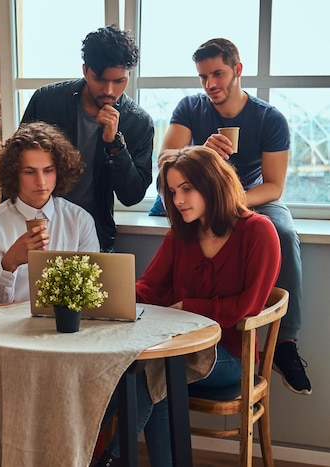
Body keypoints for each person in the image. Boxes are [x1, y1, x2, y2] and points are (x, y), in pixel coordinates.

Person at [96, 146, 282, 467]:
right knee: (156, 378)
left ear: (212, 183)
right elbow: (149, 287)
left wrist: (188, 306)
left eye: (187, 189)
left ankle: (107, 458)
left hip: (230, 354)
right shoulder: (181, 233)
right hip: (176, 350)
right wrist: (113, 299)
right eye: (172, 191)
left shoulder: (259, 231)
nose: (179, 200)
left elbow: (246, 307)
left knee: (151, 374)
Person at [155, 37, 311, 395]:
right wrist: (197, 151)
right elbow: (164, 162)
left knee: (283, 232)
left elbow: (273, 186)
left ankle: (286, 342)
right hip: (201, 193)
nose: (211, 84)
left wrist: (225, 200)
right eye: (203, 77)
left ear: (237, 71)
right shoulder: (190, 108)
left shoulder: (268, 118)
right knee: (181, 224)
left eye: (218, 74)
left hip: (250, 196)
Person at [21, 25, 154, 252]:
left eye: (119, 81)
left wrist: (115, 144)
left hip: (94, 237)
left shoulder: (138, 122)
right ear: (85, 70)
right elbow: (16, 164)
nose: (109, 90)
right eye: (100, 79)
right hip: (38, 231)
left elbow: (132, 196)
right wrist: (7, 226)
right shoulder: (47, 102)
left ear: (129, 75)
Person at [0, 122, 99, 305]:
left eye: (48, 171)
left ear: (60, 171)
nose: (41, 182)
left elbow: (90, 293)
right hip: (8, 329)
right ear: (14, 174)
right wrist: (8, 266)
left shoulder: (80, 221)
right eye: (30, 172)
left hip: (64, 327)